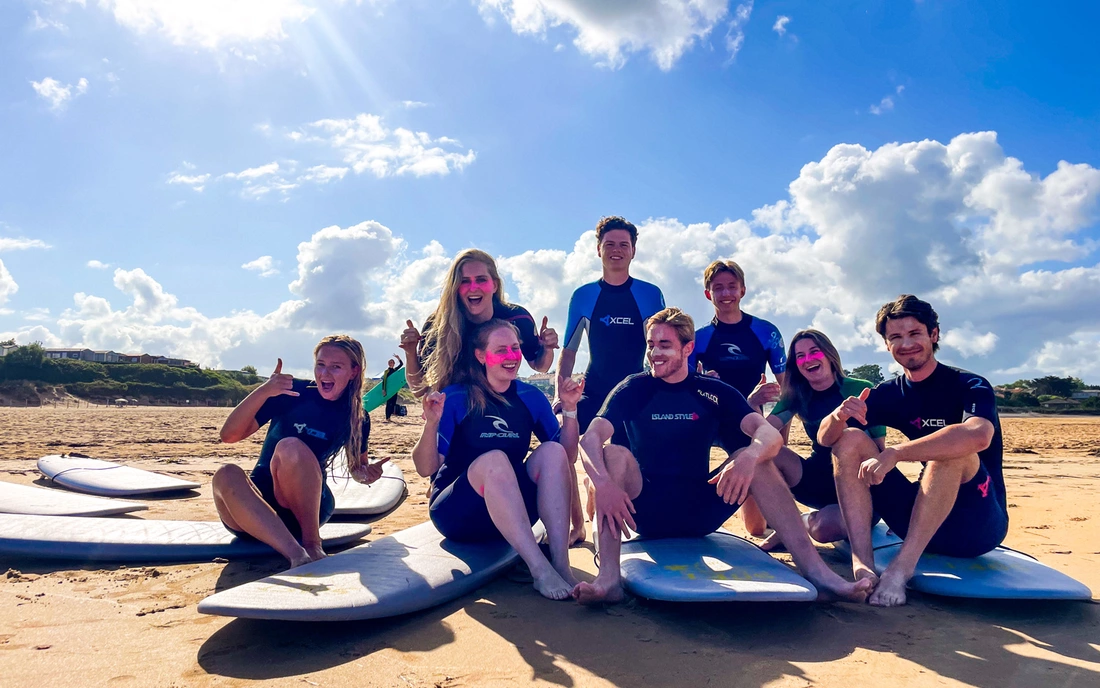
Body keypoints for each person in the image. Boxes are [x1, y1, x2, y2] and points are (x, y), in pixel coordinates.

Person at [573, 308, 873, 605]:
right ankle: (609, 580)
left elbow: (767, 435)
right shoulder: (634, 387)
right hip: (645, 511)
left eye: (665, 345)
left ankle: (819, 574)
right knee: (613, 454)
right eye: (651, 345)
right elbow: (591, 439)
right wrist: (604, 485)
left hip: (701, 510)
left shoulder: (714, 391)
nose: (655, 353)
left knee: (757, 459)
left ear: (688, 348)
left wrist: (750, 456)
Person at [819, 295, 1008, 607]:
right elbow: (828, 440)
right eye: (895, 337)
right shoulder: (890, 394)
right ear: (886, 344)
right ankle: (863, 564)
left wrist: (894, 453)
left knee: (952, 450)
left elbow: (978, 435)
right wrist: (838, 416)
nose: (906, 344)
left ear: (933, 334)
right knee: (850, 438)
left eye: (914, 334)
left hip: (978, 524)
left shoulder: (969, 384)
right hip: (920, 519)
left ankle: (899, 571)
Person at [412, 319, 583, 600]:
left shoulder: (531, 397)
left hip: (513, 514)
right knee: (495, 459)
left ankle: (561, 564)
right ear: (481, 356)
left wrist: (570, 409)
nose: (511, 356)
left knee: (553, 452)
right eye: (501, 349)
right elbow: (425, 468)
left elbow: (567, 456)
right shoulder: (455, 398)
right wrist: (430, 424)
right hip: (459, 515)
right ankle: (539, 569)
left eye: (515, 348)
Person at [213, 335, 385, 568]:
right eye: (321, 365)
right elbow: (229, 435)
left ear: (353, 372)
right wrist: (264, 391)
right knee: (226, 473)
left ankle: (312, 545)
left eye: (336, 367)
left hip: (305, 514)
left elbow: (357, 469)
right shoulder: (291, 394)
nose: (325, 374)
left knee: (289, 447)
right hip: (253, 512)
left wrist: (366, 475)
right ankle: (297, 554)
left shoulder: (356, 416)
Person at [557, 216, 665, 544]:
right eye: (610, 244)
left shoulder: (649, 294)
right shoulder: (584, 295)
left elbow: (659, 345)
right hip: (595, 386)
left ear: (633, 251)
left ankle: (619, 515)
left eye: (623, 245)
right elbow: (571, 350)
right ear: (598, 249)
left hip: (634, 390)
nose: (616, 250)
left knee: (626, 456)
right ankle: (576, 524)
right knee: (566, 451)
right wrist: (562, 391)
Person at [757, 329, 887, 551]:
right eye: (800, 356)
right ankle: (787, 524)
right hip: (817, 479)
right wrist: (752, 404)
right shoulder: (797, 395)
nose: (808, 359)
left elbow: (880, 450)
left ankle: (797, 524)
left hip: (860, 487)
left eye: (814, 352)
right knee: (761, 453)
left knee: (823, 529)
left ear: (828, 354)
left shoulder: (859, 389)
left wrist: (894, 511)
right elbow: (764, 432)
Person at [688, 260, 787, 537]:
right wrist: (703, 384)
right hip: (708, 420)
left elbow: (789, 391)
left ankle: (774, 511)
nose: (726, 293)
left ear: (743, 289)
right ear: (708, 294)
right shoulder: (699, 339)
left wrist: (776, 430)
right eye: (718, 288)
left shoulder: (766, 332)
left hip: (748, 419)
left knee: (755, 529)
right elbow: (683, 390)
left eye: (732, 286)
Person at [400, 249, 558, 396]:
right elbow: (418, 389)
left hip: (501, 405)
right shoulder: (438, 325)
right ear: (455, 287)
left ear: (494, 285)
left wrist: (548, 348)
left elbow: (540, 366)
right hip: (455, 408)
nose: (473, 287)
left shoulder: (517, 318)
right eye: (464, 281)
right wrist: (410, 352)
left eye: (481, 280)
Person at [382, 353, 404, 422]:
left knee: (393, 403)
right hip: (389, 389)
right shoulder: (386, 371)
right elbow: (384, 381)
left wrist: (398, 358)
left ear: (394, 364)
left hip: (394, 390)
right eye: (390, 362)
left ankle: (389, 417)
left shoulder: (395, 370)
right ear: (388, 364)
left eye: (392, 362)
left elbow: (401, 364)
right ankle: (387, 417)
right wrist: (384, 390)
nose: (391, 363)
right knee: (389, 403)